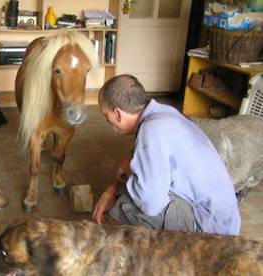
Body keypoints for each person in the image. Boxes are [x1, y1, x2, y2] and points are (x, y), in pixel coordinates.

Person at [93, 74, 241, 235]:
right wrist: (112, 187)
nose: (105, 119)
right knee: (134, 183)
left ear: (118, 114)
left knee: (125, 206)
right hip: (222, 217)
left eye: (105, 114)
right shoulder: (162, 113)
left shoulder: (152, 131)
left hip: (213, 228)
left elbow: (150, 204)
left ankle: (184, 249)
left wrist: (123, 184)